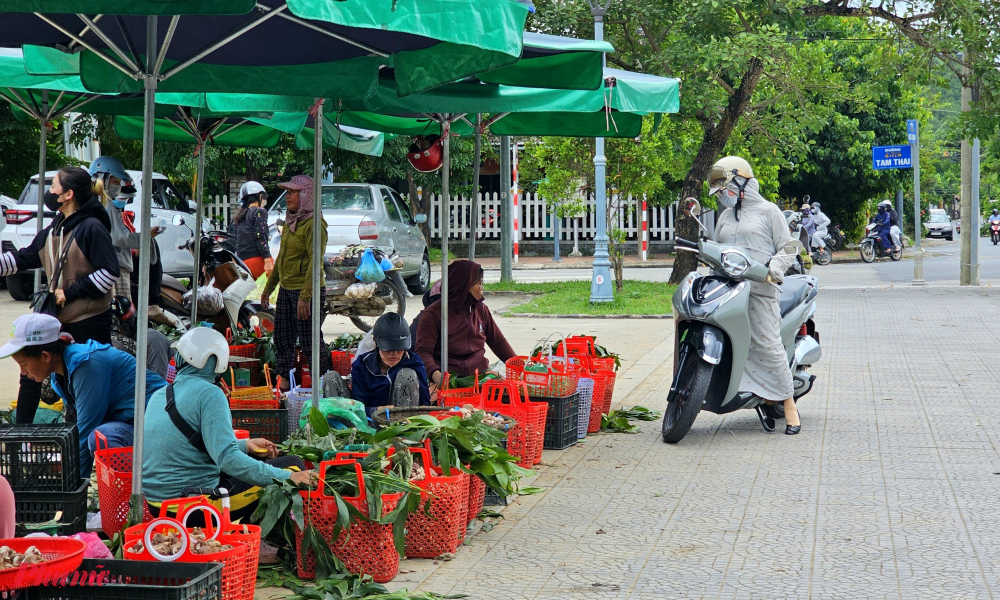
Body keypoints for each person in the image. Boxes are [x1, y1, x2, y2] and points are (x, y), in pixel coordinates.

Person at [142, 328, 317, 521]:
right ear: (216, 361)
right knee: (292, 467)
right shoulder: (209, 394)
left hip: (157, 505)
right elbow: (228, 459)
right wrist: (288, 478)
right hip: (194, 507)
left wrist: (245, 445)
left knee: (264, 468)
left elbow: (186, 446)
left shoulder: (161, 393)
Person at [0, 166, 121, 424]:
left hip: (88, 323)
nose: (49, 192)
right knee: (29, 373)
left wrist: (69, 292)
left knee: (86, 388)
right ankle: (22, 439)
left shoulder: (92, 228)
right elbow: (26, 256)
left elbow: (110, 273)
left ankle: (84, 445)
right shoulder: (57, 227)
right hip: (56, 321)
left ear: (68, 195)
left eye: (53, 186)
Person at [0, 313, 167, 479]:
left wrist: (71, 490)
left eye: (23, 364)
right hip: (131, 423)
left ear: (45, 356)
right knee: (99, 437)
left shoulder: (87, 365)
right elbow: (73, 430)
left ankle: (142, 490)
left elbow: (84, 432)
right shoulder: (59, 375)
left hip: (160, 426)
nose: (23, 372)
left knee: (99, 438)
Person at [707, 156, 801, 435]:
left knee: (767, 344)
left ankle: (789, 405)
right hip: (727, 291)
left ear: (742, 181)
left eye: (726, 188)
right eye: (720, 191)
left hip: (761, 288)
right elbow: (717, 248)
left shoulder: (769, 211)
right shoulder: (724, 216)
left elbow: (789, 246)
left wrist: (775, 268)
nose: (723, 195)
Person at [261, 175, 331, 391]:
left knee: (310, 342)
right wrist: (268, 288)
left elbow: (315, 261)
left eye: (292, 192)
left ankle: (324, 383)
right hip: (287, 288)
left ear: (306, 195)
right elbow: (281, 258)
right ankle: (282, 382)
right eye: (287, 192)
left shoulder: (314, 224)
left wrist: (305, 297)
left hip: (306, 291)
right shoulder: (292, 221)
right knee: (282, 337)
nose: (287, 196)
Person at [416, 260, 516, 397]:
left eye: (482, 283)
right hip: (449, 379)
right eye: (478, 283)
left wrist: (519, 366)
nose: (482, 288)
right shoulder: (433, 315)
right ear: (464, 286)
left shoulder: (481, 309)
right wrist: (436, 375)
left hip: (479, 376)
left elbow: (498, 342)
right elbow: (423, 352)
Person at [89, 156, 164, 298]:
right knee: (121, 314)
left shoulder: (95, 204)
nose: (117, 186)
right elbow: (121, 238)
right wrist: (146, 236)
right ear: (101, 179)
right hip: (114, 267)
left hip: (104, 267)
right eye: (115, 181)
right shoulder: (105, 205)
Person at [352, 313, 430, 415]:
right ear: (376, 343)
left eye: (399, 349)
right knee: (331, 377)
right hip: (371, 420)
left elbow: (425, 404)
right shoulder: (362, 365)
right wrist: (376, 410)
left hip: (406, 422)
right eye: (388, 349)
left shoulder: (414, 362)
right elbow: (357, 406)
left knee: (407, 375)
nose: (394, 354)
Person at [230, 181, 273, 280]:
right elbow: (260, 236)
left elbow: (235, 240)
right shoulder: (260, 212)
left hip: (243, 263)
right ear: (260, 196)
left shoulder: (239, 217)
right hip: (258, 261)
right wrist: (267, 260)